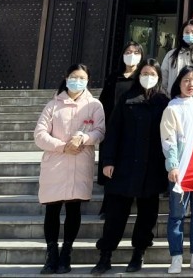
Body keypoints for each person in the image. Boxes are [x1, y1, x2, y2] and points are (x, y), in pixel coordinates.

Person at [91, 59, 169, 275]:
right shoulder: (126, 99)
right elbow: (113, 131)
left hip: (152, 167)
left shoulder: (163, 101)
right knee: (115, 214)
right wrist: (108, 160)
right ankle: (105, 254)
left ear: (159, 77)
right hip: (124, 165)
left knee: (147, 215)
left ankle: (139, 252)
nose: (148, 77)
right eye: (144, 73)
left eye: (152, 74)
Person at [34, 64, 105, 274]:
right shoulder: (53, 105)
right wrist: (62, 146)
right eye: (74, 77)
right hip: (55, 162)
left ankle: (66, 252)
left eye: (82, 78)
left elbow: (100, 131)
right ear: (66, 78)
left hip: (79, 162)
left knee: (74, 209)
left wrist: (83, 138)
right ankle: (51, 254)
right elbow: (39, 134)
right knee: (52, 209)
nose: (77, 81)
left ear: (88, 81)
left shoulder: (94, 105)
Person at [161, 66, 193, 274]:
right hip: (181, 168)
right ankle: (176, 256)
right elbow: (168, 138)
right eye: (186, 80)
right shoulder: (172, 107)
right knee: (177, 213)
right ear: (179, 82)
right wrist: (172, 165)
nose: (191, 84)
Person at [97, 41, 143, 219]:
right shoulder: (114, 77)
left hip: (134, 129)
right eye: (128, 52)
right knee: (111, 167)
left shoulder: (142, 77)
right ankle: (107, 205)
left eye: (136, 52)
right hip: (113, 127)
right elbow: (104, 102)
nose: (131, 55)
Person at [160, 19, 193, 93]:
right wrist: (166, 95)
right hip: (173, 97)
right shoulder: (171, 54)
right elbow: (163, 76)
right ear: (182, 34)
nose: (190, 35)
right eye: (187, 32)